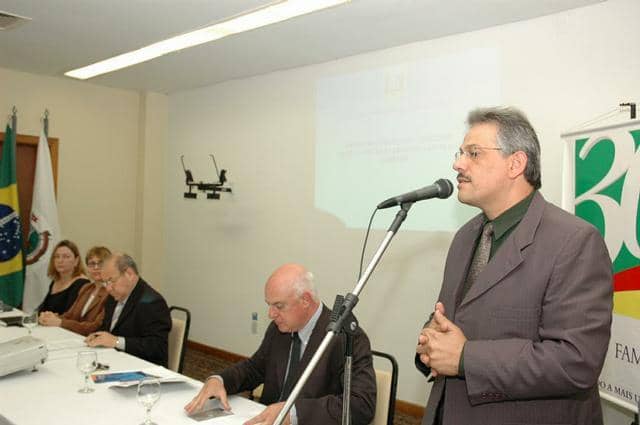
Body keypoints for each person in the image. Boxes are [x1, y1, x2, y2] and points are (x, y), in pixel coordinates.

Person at [414, 107, 613, 425]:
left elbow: (576, 361)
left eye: (473, 153)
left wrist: (465, 358)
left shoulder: (574, 241)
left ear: (516, 163)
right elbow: (456, 319)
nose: (458, 164)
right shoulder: (466, 237)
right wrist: (431, 342)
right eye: (460, 152)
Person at [184, 263, 376, 425]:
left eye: (279, 306)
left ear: (305, 301)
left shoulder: (346, 338)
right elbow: (255, 368)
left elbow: (361, 405)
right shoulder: (279, 328)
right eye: (269, 305)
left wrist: (293, 413)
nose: (271, 314)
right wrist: (219, 380)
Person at [85, 253, 171, 367]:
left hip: (143, 370)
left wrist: (116, 341)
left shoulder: (152, 302)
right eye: (105, 282)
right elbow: (109, 329)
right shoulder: (113, 297)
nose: (108, 288)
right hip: (115, 361)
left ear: (129, 273)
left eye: (111, 281)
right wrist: (98, 336)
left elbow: (157, 347)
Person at [39, 246, 111, 336]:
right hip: (76, 338)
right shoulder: (87, 288)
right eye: (92, 264)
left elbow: (96, 327)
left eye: (100, 264)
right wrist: (50, 317)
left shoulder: (111, 292)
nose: (96, 267)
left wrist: (60, 322)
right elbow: (70, 315)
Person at [37, 240, 90, 315]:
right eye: (57, 257)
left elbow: (72, 315)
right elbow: (42, 309)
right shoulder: (55, 281)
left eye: (66, 257)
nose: (60, 260)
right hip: (48, 325)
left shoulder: (83, 284)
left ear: (76, 260)